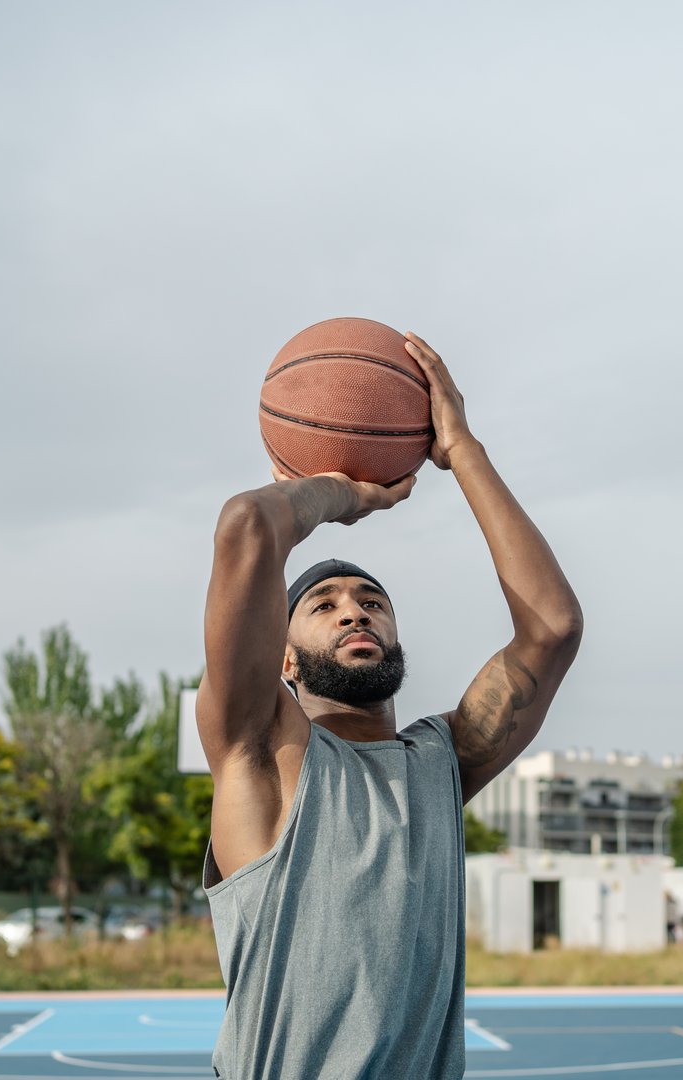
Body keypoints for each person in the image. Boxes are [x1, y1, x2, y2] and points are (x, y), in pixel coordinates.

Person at [196, 331, 584, 1079]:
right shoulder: (259, 754)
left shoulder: (437, 764)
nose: (354, 612)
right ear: (282, 655)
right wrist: (345, 493)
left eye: (372, 601)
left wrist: (460, 450)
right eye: (325, 604)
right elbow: (246, 526)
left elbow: (553, 629)